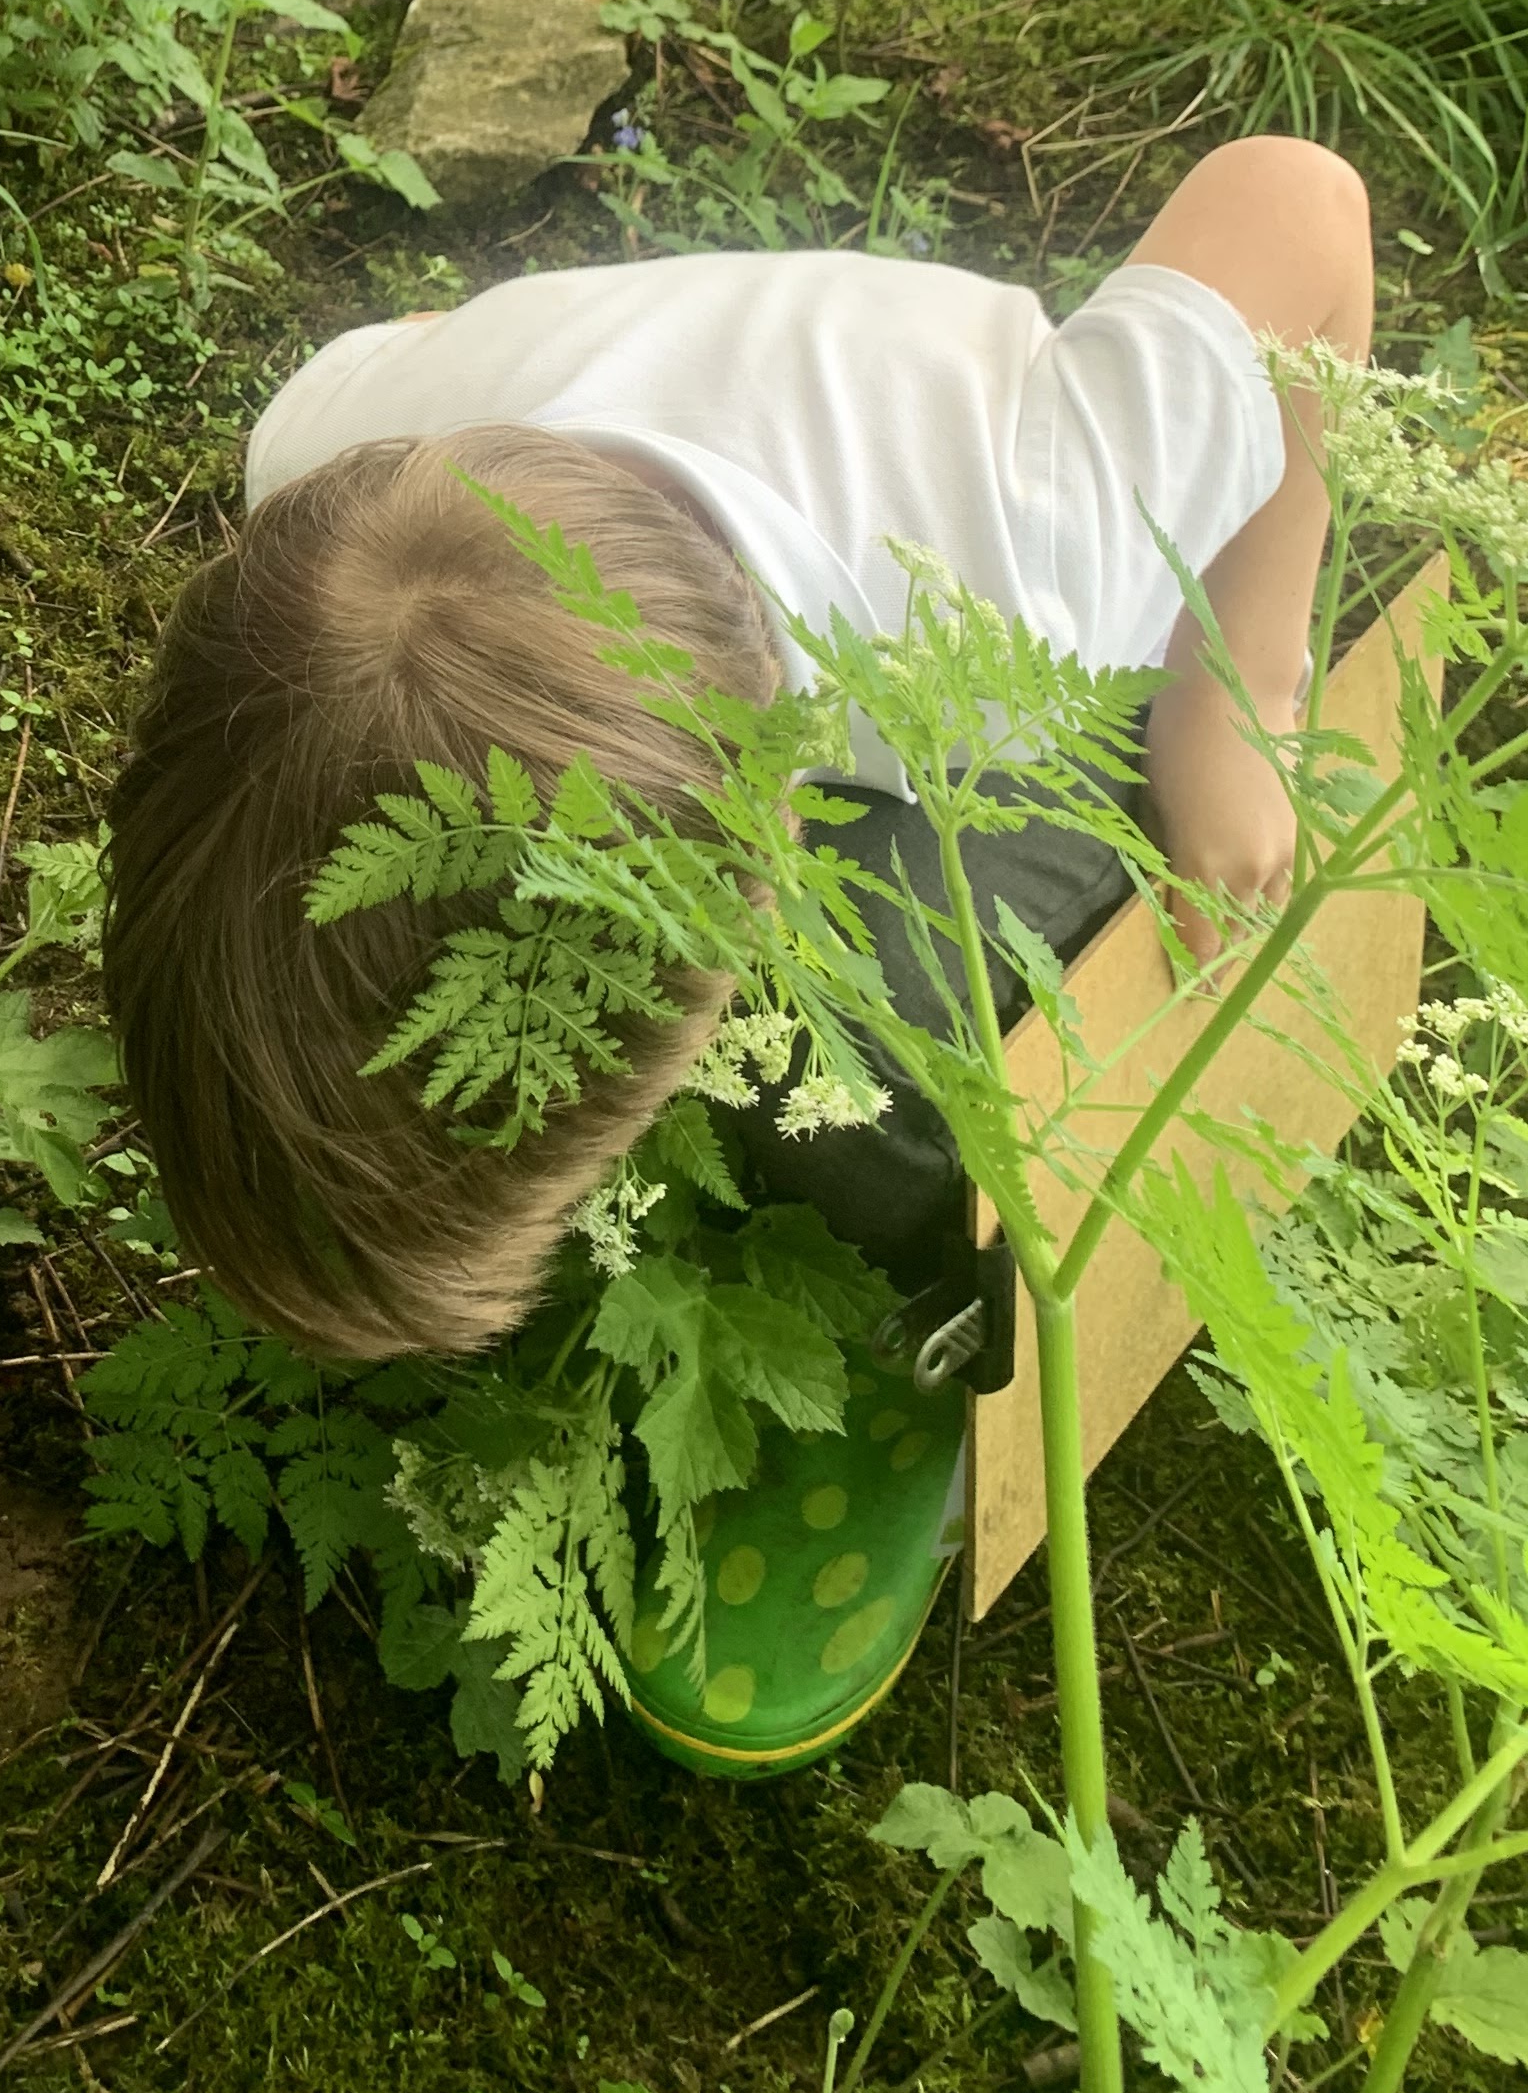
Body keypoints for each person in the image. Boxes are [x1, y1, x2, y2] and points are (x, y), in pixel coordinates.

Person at [104, 136, 1374, 1766]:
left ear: (751, 882)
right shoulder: (314, 464)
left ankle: (916, 1304)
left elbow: (1301, 204)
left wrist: (1241, 682)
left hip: (1034, 649)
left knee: (893, 1072)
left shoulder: (1045, 556)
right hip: (683, 495)